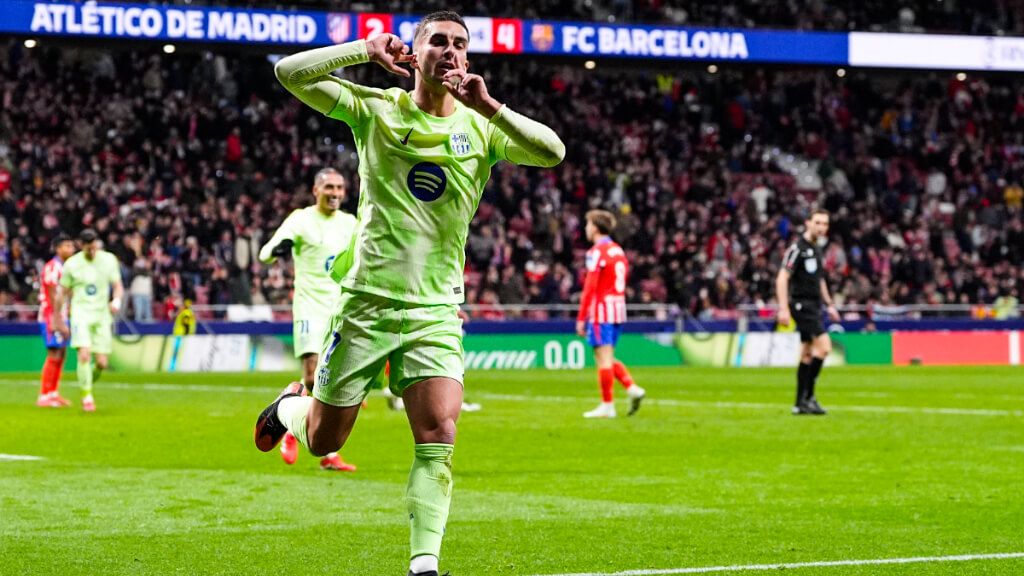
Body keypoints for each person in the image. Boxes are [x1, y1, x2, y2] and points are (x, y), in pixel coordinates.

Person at [253, 12, 564, 576]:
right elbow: (289, 72)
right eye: (438, 41)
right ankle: (288, 408)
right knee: (325, 439)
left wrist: (490, 106)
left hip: (436, 309)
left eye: (460, 45)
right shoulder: (377, 110)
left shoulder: (483, 127)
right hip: (367, 302)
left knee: (438, 433)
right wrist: (361, 50)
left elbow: (552, 153)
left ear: (468, 60)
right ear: (414, 54)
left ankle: (425, 565)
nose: (450, 51)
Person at [258, 167, 358, 473]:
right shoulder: (300, 219)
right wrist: (278, 249)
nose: (336, 193)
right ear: (316, 190)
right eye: (329, 187)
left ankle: (311, 440)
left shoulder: (351, 223)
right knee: (314, 376)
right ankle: (292, 418)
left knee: (334, 383)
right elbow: (265, 254)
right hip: (310, 307)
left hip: (340, 308)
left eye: (340, 188)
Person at [576, 210, 646, 418]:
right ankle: (631, 388)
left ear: (596, 227)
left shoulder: (596, 251)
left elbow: (590, 287)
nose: (586, 229)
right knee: (605, 356)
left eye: (588, 224)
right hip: (618, 309)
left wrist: (581, 317)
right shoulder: (618, 250)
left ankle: (607, 406)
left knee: (603, 358)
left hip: (601, 310)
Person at [775, 208, 840, 415]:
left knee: (806, 354)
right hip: (802, 306)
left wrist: (829, 304)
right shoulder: (797, 248)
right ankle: (809, 397)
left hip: (815, 306)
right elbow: (782, 277)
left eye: (825, 224)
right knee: (825, 348)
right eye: (818, 223)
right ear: (808, 223)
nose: (822, 228)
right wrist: (783, 308)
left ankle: (799, 403)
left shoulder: (816, 249)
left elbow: (819, 279)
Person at [52, 229, 124, 412]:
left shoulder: (108, 260)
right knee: (83, 354)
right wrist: (57, 319)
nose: (92, 252)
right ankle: (87, 397)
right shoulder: (72, 265)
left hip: (102, 315)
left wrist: (116, 301)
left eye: (94, 248)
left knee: (101, 363)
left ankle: (87, 380)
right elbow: (61, 294)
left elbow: (117, 286)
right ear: (81, 246)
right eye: (88, 249)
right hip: (80, 314)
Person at [36, 234, 76, 408]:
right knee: (54, 352)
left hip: (62, 315)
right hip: (50, 315)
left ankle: (53, 392)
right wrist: (57, 320)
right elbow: (53, 294)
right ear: (58, 248)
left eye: (71, 246)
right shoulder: (53, 267)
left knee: (62, 353)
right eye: (67, 246)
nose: (71, 249)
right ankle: (44, 395)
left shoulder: (67, 267)